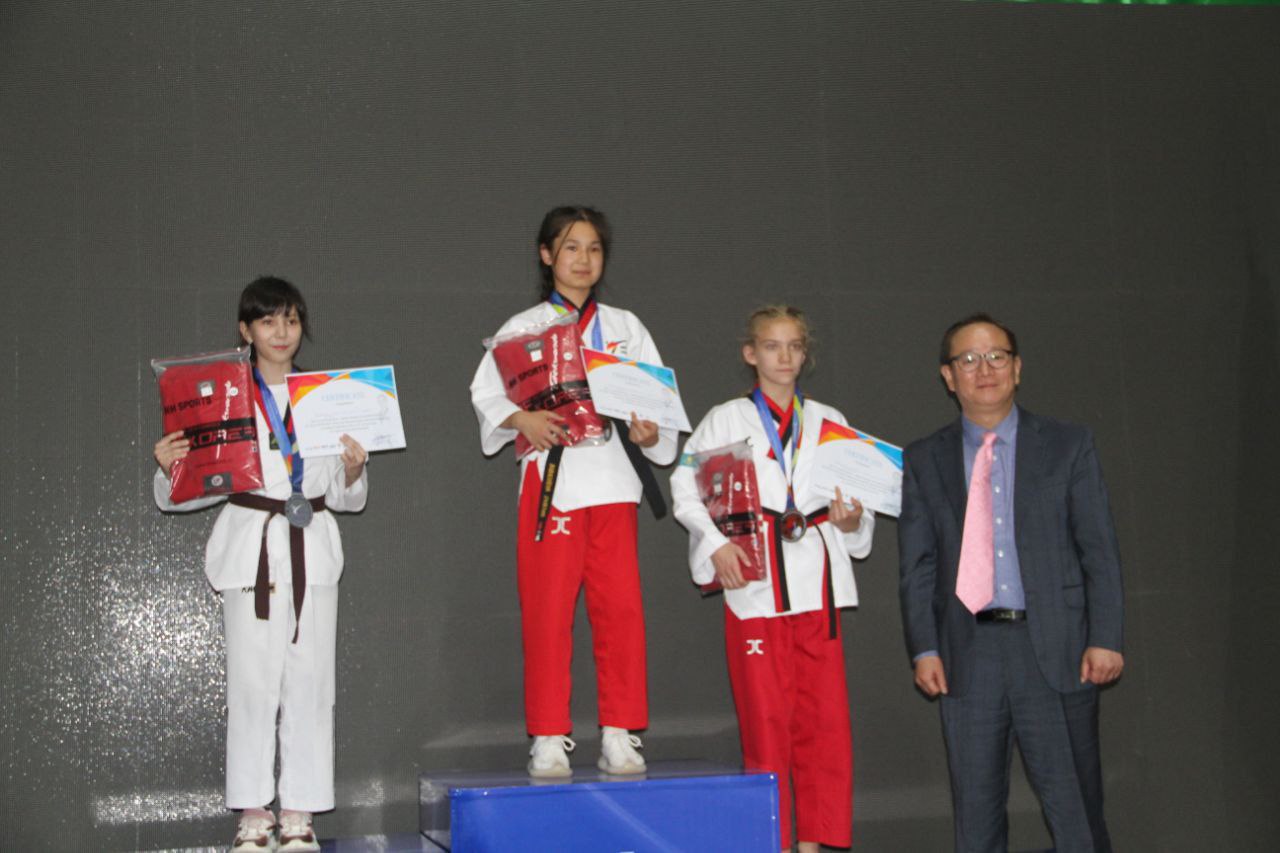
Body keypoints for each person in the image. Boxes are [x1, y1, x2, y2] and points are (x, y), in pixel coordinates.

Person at [153, 276, 369, 853]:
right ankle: (253, 813)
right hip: (251, 549)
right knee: (252, 687)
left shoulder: (326, 397)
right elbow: (187, 491)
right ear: (245, 331)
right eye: (268, 320)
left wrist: (352, 469)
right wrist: (171, 466)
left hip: (311, 548)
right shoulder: (222, 399)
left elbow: (347, 497)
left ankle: (299, 813)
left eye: (291, 320)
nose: (281, 332)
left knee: (312, 685)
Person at [897, 313, 1124, 852]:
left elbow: (1099, 549)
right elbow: (918, 564)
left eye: (997, 356)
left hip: (1056, 650)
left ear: (1017, 368)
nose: (985, 369)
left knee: (1077, 815)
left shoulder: (1068, 445)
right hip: (967, 655)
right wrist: (924, 648)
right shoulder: (925, 458)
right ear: (948, 376)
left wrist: (1106, 636)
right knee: (975, 820)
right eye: (968, 359)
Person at [469, 206, 677, 777]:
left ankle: (620, 732)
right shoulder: (522, 328)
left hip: (613, 479)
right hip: (553, 484)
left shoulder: (626, 327)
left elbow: (658, 400)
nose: (584, 259)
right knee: (547, 613)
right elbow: (486, 395)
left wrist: (651, 431)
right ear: (546, 255)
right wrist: (523, 420)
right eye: (570, 247)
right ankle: (547, 734)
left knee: (621, 613)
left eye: (594, 248)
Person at [671, 305, 875, 853]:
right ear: (751, 353)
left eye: (794, 346)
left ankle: (815, 843)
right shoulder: (725, 419)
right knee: (766, 723)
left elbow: (859, 504)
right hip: (755, 583)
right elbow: (685, 490)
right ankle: (775, 842)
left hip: (817, 584)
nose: (784, 357)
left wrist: (853, 522)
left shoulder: (830, 421)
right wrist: (716, 543)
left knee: (824, 725)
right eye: (771, 345)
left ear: (805, 355)